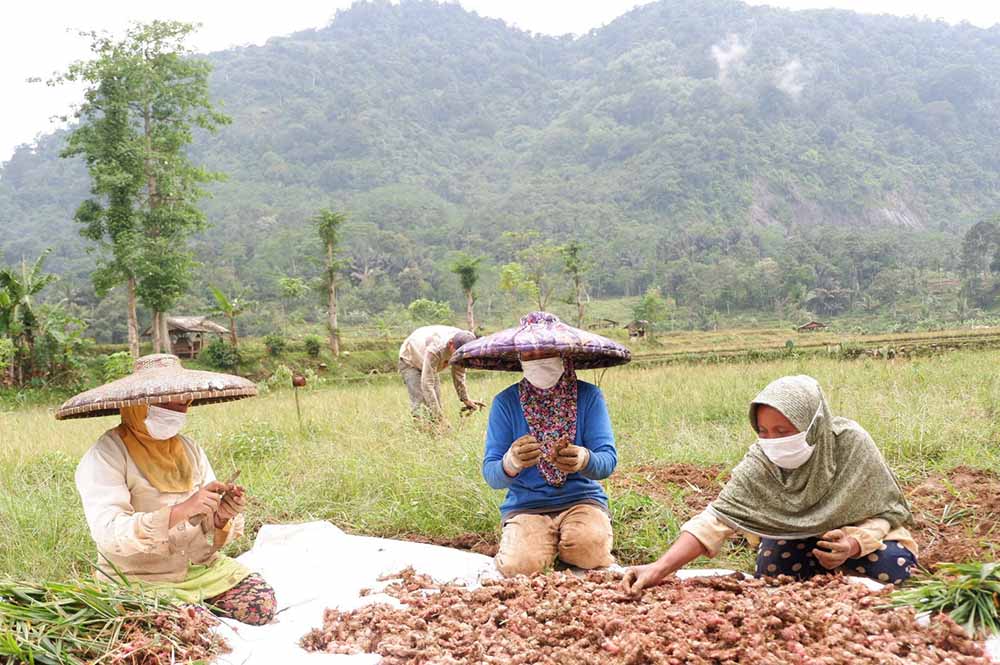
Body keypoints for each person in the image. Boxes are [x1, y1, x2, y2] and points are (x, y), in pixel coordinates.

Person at [623, 375, 917, 595]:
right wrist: (659, 568)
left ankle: (839, 567)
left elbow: (885, 512)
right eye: (763, 431)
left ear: (813, 426)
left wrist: (853, 545)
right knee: (773, 572)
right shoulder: (761, 458)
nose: (772, 442)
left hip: (854, 537)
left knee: (891, 567)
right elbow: (716, 519)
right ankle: (820, 577)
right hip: (793, 537)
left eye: (783, 431)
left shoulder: (850, 444)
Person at [61, 354, 276, 626]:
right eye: (166, 401)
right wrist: (181, 510)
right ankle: (183, 614)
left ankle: (196, 608)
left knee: (260, 605)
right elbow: (109, 533)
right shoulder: (106, 455)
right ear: (138, 404)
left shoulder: (189, 450)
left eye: (184, 401)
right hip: (138, 580)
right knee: (194, 627)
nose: (179, 410)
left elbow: (204, 526)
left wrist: (220, 516)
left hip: (196, 570)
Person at [450, 311, 632, 576]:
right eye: (529, 354)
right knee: (519, 566)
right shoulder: (506, 403)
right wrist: (511, 462)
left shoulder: (589, 397)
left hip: (582, 500)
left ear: (563, 356)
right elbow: (492, 474)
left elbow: (607, 462)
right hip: (526, 505)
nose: (537, 360)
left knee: (589, 548)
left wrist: (583, 459)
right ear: (520, 358)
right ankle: (541, 543)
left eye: (545, 353)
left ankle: (566, 544)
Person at [398, 325, 484, 422]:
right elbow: (427, 384)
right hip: (410, 360)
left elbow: (459, 374)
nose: (461, 357)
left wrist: (465, 399)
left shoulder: (465, 341)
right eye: (459, 353)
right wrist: (440, 418)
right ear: (451, 344)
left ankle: (436, 430)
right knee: (421, 404)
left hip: (429, 362)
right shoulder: (436, 348)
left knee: (436, 401)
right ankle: (423, 429)